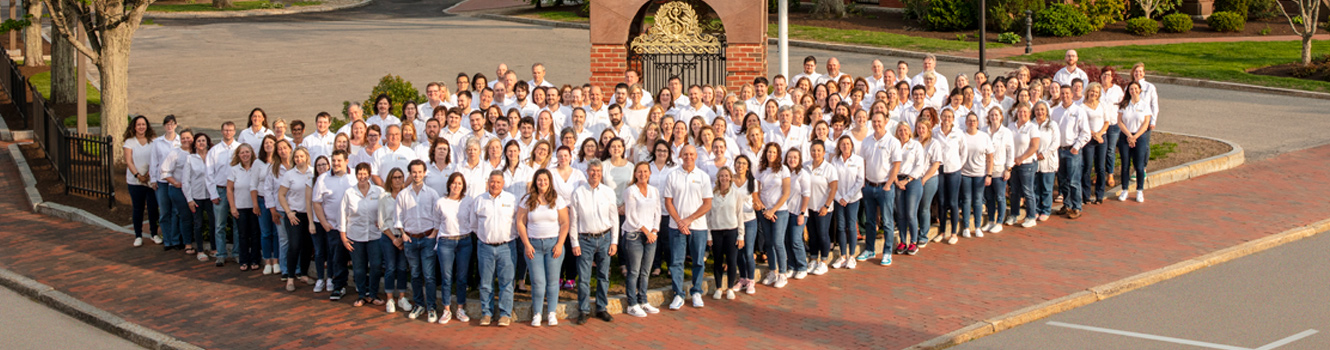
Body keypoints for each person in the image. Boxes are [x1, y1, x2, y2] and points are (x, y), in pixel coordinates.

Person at [516, 168, 569, 327]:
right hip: (534, 246)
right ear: (535, 182)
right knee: (538, 282)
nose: (542, 183)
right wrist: (526, 244)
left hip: (554, 245)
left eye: (545, 180)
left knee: (553, 282)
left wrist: (560, 244)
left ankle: (551, 313)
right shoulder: (527, 199)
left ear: (550, 181)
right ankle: (537, 313)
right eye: (539, 180)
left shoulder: (557, 199)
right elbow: (520, 223)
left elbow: (565, 223)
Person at [568, 160, 618, 325]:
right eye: (592, 170)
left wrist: (614, 241)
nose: (595, 173)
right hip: (585, 239)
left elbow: (614, 219)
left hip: (604, 238)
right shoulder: (578, 193)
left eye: (598, 170)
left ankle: (601, 307)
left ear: (601, 173)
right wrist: (574, 242)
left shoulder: (608, 192)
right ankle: (584, 310)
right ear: (587, 172)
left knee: (603, 276)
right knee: (584, 277)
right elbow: (573, 220)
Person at [664, 145, 713, 309]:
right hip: (676, 227)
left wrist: (689, 219)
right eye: (685, 154)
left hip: (698, 227)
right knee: (676, 262)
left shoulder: (703, 176)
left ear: (696, 156)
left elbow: (707, 204)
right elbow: (668, 202)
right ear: (680, 155)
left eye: (692, 154)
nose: (688, 157)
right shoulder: (672, 176)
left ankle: (696, 291)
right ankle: (678, 294)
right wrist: (680, 221)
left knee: (698, 261)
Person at [396, 160, 441, 323]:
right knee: (415, 274)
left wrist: (434, 233)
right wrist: (403, 234)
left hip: (427, 238)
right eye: (414, 172)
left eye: (420, 172)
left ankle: (431, 307)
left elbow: (437, 216)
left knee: (429, 276)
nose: (417, 175)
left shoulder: (432, 193)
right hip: (410, 239)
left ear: (424, 173)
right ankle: (419, 304)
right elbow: (398, 217)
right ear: (410, 173)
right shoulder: (403, 194)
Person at [858, 112, 902, 264]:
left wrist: (889, 184)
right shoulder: (866, 141)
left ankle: (887, 252)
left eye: (879, 121)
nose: (877, 124)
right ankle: (870, 250)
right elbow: (862, 162)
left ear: (886, 122)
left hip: (885, 187)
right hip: (869, 186)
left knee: (887, 221)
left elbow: (896, 164)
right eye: (874, 121)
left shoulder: (892, 141)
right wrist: (863, 182)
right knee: (870, 221)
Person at [312, 151, 356, 300]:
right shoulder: (323, 179)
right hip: (334, 226)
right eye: (334, 160)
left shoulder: (355, 176)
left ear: (346, 161)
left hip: (354, 226)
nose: (336, 163)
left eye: (339, 160)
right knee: (337, 257)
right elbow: (316, 202)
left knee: (357, 257)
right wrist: (324, 223)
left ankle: (361, 285)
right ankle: (339, 286)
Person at [340, 163, 385, 308]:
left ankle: (372, 294)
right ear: (356, 175)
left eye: (365, 173)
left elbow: (386, 210)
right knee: (359, 268)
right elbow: (342, 215)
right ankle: (361, 295)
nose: (362, 176)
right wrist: (343, 237)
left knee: (376, 266)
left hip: (375, 236)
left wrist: (382, 222)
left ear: (370, 175)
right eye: (360, 173)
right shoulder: (349, 193)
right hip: (355, 236)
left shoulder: (378, 191)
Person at [620, 162, 661, 317]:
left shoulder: (654, 191)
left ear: (649, 173)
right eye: (639, 172)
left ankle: (643, 300)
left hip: (651, 236)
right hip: (634, 236)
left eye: (645, 171)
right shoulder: (630, 191)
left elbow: (658, 212)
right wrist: (646, 231)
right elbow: (631, 216)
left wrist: (655, 231)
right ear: (635, 174)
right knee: (634, 271)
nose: (642, 174)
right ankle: (632, 303)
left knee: (645, 271)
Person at [433, 173, 473, 324]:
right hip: (446, 242)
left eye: (460, 184)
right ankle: (447, 309)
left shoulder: (468, 201)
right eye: (454, 183)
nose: (456, 186)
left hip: (464, 241)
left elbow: (472, 220)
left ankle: (460, 308)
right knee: (446, 277)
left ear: (463, 186)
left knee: (462, 278)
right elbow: (436, 223)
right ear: (449, 184)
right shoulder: (441, 202)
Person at [754, 142, 791, 287]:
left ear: (778, 154)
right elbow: (756, 193)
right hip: (765, 212)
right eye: (769, 152)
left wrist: (773, 210)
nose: (771, 155)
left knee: (778, 241)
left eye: (774, 152)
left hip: (779, 212)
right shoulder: (760, 170)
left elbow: (786, 193)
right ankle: (772, 271)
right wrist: (764, 210)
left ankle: (782, 273)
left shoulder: (783, 170)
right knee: (768, 242)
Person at [279, 147, 315, 292]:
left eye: (301, 156)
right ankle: (290, 278)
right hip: (295, 215)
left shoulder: (313, 172)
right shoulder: (289, 175)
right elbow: (281, 195)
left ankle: (304, 274)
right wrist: (288, 212)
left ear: (306, 157)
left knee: (307, 245)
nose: (299, 159)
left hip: (310, 215)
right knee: (294, 246)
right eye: (296, 157)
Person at [1052, 84, 1091, 219]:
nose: (1065, 96)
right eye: (1062, 93)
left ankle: (1076, 207)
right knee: (1062, 180)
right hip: (1059, 150)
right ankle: (1066, 204)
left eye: (1067, 93)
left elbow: (1086, 133)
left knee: (1074, 181)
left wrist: (1077, 146)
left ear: (1072, 95)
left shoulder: (1079, 111)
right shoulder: (1055, 112)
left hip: (1072, 150)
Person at [705, 166, 744, 300]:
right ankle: (718, 287)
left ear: (730, 178)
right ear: (718, 178)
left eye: (726, 175)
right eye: (721, 176)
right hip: (716, 231)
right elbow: (708, 216)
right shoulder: (712, 194)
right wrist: (709, 235)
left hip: (731, 230)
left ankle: (730, 288)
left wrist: (741, 235)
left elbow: (740, 215)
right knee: (717, 260)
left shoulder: (736, 193)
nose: (724, 178)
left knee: (732, 261)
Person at [377, 168, 412, 312]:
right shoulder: (384, 198)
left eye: (400, 177)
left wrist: (403, 237)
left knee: (402, 268)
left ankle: (402, 297)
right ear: (390, 180)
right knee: (390, 268)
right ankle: (390, 298)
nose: (398, 180)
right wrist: (393, 239)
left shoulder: (407, 196)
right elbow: (381, 222)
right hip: (389, 238)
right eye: (395, 177)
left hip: (404, 237)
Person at [123, 115, 161, 247]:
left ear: (147, 126)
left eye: (143, 124)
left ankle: (154, 234)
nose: (141, 127)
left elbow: (156, 159)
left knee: (153, 208)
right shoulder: (129, 142)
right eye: (138, 124)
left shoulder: (154, 141)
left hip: (151, 181)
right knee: (138, 209)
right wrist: (138, 175)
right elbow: (129, 160)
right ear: (134, 126)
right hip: (135, 181)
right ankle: (138, 235)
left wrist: (149, 174)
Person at [894, 122, 929, 256]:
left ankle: (913, 242)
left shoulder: (916, 145)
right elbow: (891, 164)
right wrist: (897, 181)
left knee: (910, 213)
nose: (903, 133)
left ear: (909, 131)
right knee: (901, 214)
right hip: (898, 181)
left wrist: (907, 180)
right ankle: (903, 241)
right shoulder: (895, 145)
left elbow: (919, 165)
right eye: (900, 130)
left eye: (905, 130)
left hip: (912, 181)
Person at [227, 143, 263, 271]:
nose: (245, 155)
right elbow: (229, 189)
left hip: (255, 206)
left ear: (252, 153)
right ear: (238, 155)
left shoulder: (256, 167)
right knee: (242, 235)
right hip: (240, 207)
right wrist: (233, 207)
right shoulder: (234, 169)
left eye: (247, 152)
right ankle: (243, 260)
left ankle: (254, 259)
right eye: (242, 152)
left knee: (255, 234)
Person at [804, 141, 838, 275]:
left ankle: (823, 261)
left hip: (823, 207)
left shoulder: (829, 168)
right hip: (809, 207)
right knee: (812, 235)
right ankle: (813, 259)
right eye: (813, 150)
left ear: (824, 152)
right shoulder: (805, 166)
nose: (816, 153)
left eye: (819, 150)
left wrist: (826, 205)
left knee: (823, 235)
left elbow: (834, 188)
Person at [958, 112, 995, 238]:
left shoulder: (984, 137)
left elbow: (990, 157)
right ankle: (966, 227)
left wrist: (989, 174)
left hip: (980, 173)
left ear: (978, 122)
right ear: (966, 122)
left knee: (978, 200)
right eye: (969, 120)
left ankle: (978, 226)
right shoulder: (962, 136)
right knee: (967, 200)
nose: (972, 123)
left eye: (974, 120)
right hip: (965, 173)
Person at [160, 129, 196, 254]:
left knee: (191, 216)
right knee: (182, 215)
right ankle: (180, 242)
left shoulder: (197, 152)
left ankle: (182, 239)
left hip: (194, 190)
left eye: (189, 138)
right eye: (183, 138)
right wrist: (175, 182)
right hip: (178, 189)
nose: (186, 140)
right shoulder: (175, 153)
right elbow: (164, 171)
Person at [829, 136, 862, 269]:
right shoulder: (834, 161)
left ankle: (852, 256)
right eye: (842, 144)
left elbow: (860, 181)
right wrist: (838, 197)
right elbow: (831, 180)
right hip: (838, 199)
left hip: (853, 199)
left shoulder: (858, 160)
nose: (845, 146)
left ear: (852, 145)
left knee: (851, 226)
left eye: (848, 144)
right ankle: (843, 256)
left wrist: (847, 197)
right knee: (841, 227)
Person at [1007, 103, 1041, 229]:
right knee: (1014, 191)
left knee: (1027, 191)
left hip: (1027, 164)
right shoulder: (1011, 126)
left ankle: (1031, 216)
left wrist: (1022, 158)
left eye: (1025, 112)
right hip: (1013, 164)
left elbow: (1034, 146)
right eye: (1020, 111)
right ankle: (1014, 214)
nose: (1022, 114)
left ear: (1029, 113)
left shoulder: (1032, 127)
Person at [150, 115, 181, 251]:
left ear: (175, 125)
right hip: (162, 182)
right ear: (164, 126)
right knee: (164, 212)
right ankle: (167, 240)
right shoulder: (158, 142)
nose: (170, 126)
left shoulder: (181, 140)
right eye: (167, 124)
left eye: (172, 124)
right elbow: (153, 162)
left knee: (176, 211)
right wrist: (152, 179)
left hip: (175, 181)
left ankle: (175, 240)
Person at [933, 109, 964, 245]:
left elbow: (964, 151)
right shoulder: (935, 132)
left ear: (953, 118)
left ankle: (954, 233)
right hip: (939, 170)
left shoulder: (958, 133)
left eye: (949, 117)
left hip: (953, 170)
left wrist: (958, 165)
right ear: (940, 117)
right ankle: (942, 232)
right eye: (944, 116)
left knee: (953, 202)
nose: (946, 119)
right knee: (941, 201)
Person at [1117, 81, 1152, 203]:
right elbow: (1120, 121)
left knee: (1139, 165)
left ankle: (1139, 190)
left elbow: (1145, 123)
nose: (1134, 91)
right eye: (1131, 89)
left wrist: (1135, 137)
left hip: (1140, 137)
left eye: (1136, 89)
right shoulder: (1124, 105)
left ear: (1140, 90)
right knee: (1125, 164)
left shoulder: (1145, 105)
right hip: (1125, 137)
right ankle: (1125, 190)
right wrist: (1129, 136)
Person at [183, 133, 216, 261]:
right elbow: (186, 181)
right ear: (195, 144)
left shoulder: (212, 157)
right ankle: (200, 251)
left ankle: (214, 248)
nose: (201, 143)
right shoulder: (190, 159)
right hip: (196, 196)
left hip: (210, 196)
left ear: (207, 142)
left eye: (203, 140)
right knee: (198, 224)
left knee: (214, 223)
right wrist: (189, 199)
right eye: (198, 141)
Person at [982, 109, 1014, 235]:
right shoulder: (984, 131)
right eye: (991, 115)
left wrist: (1008, 168)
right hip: (985, 169)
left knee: (1000, 196)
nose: (994, 117)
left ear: (1001, 116)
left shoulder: (1006, 132)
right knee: (989, 197)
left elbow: (1010, 151)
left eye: (996, 115)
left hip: (999, 169)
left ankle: (999, 222)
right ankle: (990, 220)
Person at [1080, 83, 1112, 205]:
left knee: (1100, 167)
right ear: (1088, 91)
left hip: (1101, 138)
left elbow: (1107, 122)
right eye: (1092, 91)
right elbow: (1083, 125)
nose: (1094, 94)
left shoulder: (1102, 105)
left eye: (1096, 92)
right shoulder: (1082, 107)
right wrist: (1093, 134)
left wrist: (1100, 134)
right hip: (1089, 139)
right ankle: (1086, 195)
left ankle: (1099, 195)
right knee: (1087, 167)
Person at [782, 148, 811, 279]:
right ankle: (792, 266)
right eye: (790, 157)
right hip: (785, 212)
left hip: (798, 212)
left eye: (795, 157)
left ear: (799, 160)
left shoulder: (803, 174)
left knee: (795, 240)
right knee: (787, 240)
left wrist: (802, 213)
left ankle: (802, 266)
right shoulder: (784, 173)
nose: (792, 160)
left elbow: (806, 195)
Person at [1032, 102, 1060, 222]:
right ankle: (1036, 209)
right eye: (1037, 110)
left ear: (1047, 111)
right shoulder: (1031, 124)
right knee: (1035, 187)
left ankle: (1046, 210)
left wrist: (1044, 154)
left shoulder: (1052, 125)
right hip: (1033, 160)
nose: (1040, 112)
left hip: (1048, 161)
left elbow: (1056, 142)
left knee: (1047, 188)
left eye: (1042, 109)